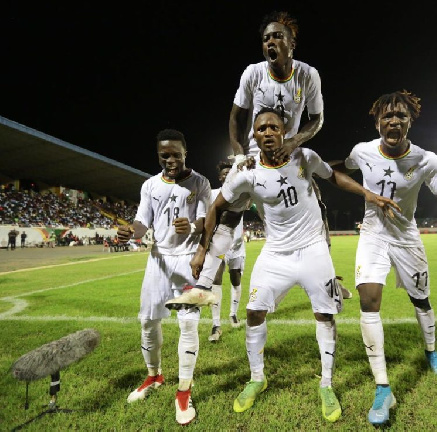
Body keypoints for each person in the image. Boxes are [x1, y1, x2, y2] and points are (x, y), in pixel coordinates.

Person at [185, 108, 398, 423]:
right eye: (261, 129)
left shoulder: (304, 157)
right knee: (254, 312)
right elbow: (216, 208)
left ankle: (326, 384)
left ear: (284, 131)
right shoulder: (244, 171)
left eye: (273, 126)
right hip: (275, 254)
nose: (268, 132)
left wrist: (368, 194)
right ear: (254, 137)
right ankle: (257, 378)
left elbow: (333, 175)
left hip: (313, 251)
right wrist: (203, 249)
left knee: (324, 315)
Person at [333, 90, 437, 425]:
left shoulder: (426, 160)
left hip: (407, 239)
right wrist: (303, 165)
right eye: (387, 116)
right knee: (368, 298)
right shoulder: (362, 152)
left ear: (410, 121)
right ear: (377, 121)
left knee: (421, 300)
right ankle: (382, 388)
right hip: (373, 236)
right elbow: (338, 168)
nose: (394, 121)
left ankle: (431, 352)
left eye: (401, 116)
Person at [168, 10, 331, 306]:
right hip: (253, 158)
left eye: (277, 36)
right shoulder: (253, 73)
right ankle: (202, 285)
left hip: (287, 153)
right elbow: (235, 118)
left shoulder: (308, 75)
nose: (270, 41)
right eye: (266, 37)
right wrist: (240, 154)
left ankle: (329, 279)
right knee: (228, 213)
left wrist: (294, 141)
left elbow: (317, 119)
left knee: (316, 208)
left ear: (291, 43)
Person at [116, 129, 213, 426]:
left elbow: (208, 220)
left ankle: (184, 391)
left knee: (187, 323)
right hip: (157, 261)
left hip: (186, 264)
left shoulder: (200, 183)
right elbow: (142, 221)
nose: (170, 160)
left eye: (175, 154)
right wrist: (129, 233)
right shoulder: (150, 185)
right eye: (164, 155)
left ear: (186, 152)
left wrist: (193, 228)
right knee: (147, 320)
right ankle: (154, 375)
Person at [207, 160, 247, 342]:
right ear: (219, 177)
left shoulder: (243, 192)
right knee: (216, 280)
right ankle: (216, 325)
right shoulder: (213, 194)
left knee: (236, 280)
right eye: (223, 174)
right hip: (219, 244)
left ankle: (233, 314)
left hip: (237, 247)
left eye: (228, 173)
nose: (225, 176)